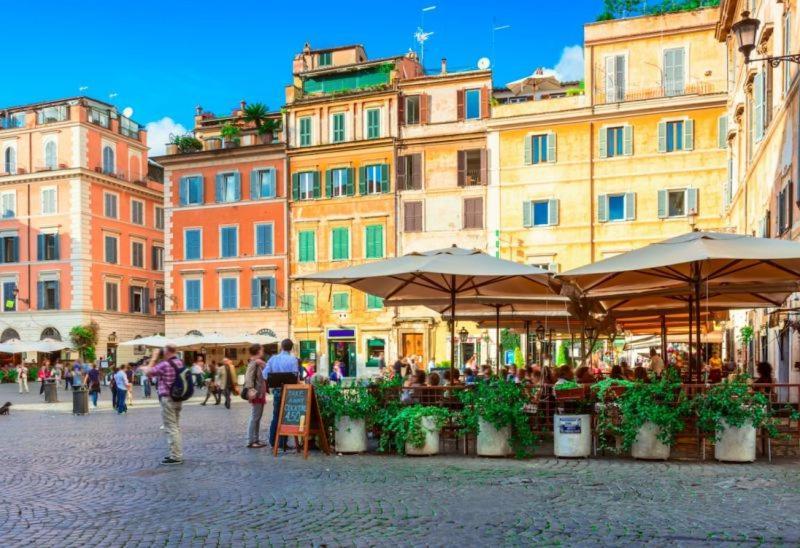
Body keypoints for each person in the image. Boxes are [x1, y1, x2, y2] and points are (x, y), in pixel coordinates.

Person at [145, 345, 185, 465]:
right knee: (176, 426)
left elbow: (148, 372)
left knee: (171, 427)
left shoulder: (165, 364)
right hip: (178, 397)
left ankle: (176, 456)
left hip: (168, 398)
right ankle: (176, 453)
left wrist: (153, 357)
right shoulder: (180, 363)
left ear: (166, 351)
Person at [263, 338, 300, 451]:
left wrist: (272, 379)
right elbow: (295, 376)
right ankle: (283, 442)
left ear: (281, 347)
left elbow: (264, 374)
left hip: (278, 390)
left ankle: (273, 441)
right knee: (286, 417)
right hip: (289, 391)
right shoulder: (293, 359)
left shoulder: (273, 359)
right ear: (291, 348)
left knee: (276, 416)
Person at [242, 344, 268, 448]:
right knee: (254, 417)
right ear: (258, 351)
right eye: (262, 350)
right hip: (256, 394)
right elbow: (248, 378)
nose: (263, 351)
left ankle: (256, 439)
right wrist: (251, 391)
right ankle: (250, 440)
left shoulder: (257, 362)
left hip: (260, 393)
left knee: (257, 417)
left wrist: (262, 363)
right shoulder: (253, 363)